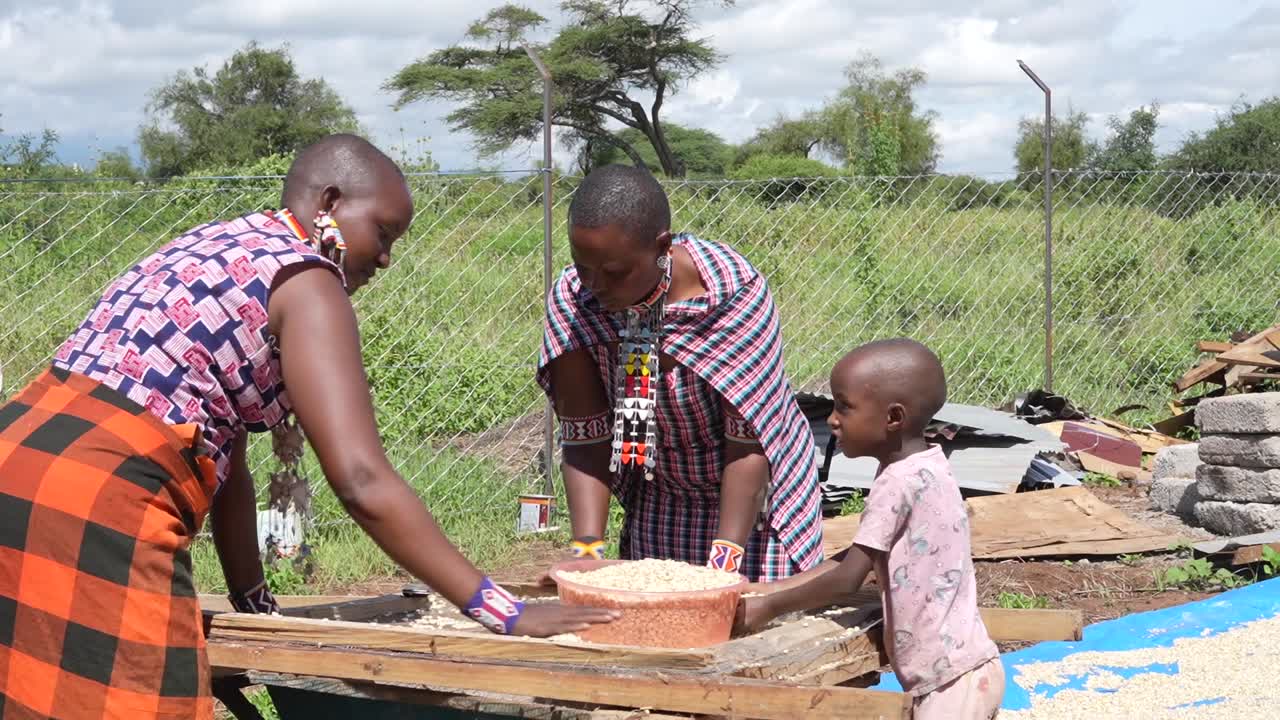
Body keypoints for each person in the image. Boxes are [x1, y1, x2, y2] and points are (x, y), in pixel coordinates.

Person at [0, 134, 615, 719]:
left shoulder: (225, 244)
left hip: (20, 460)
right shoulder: (307, 280)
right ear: (330, 204)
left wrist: (252, 604)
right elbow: (360, 477)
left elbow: (224, 459)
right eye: (383, 231)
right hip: (98, 497)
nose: (387, 257)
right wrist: (502, 612)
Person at [536, 164, 824, 582]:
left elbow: (747, 446)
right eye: (583, 267)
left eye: (615, 272)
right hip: (662, 494)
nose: (595, 285)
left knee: (754, 627)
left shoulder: (732, 296)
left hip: (757, 501)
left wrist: (722, 569)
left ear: (662, 246)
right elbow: (586, 437)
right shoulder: (574, 299)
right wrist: (588, 550)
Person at [736, 338, 1004, 719]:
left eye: (844, 406)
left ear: (893, 417)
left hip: (946, 688)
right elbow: (862, 554)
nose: (831, 419)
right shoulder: (930, 466)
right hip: (971, 667)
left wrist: (768, 608)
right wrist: (769, 588)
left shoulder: (895, 484)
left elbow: (848, 578)